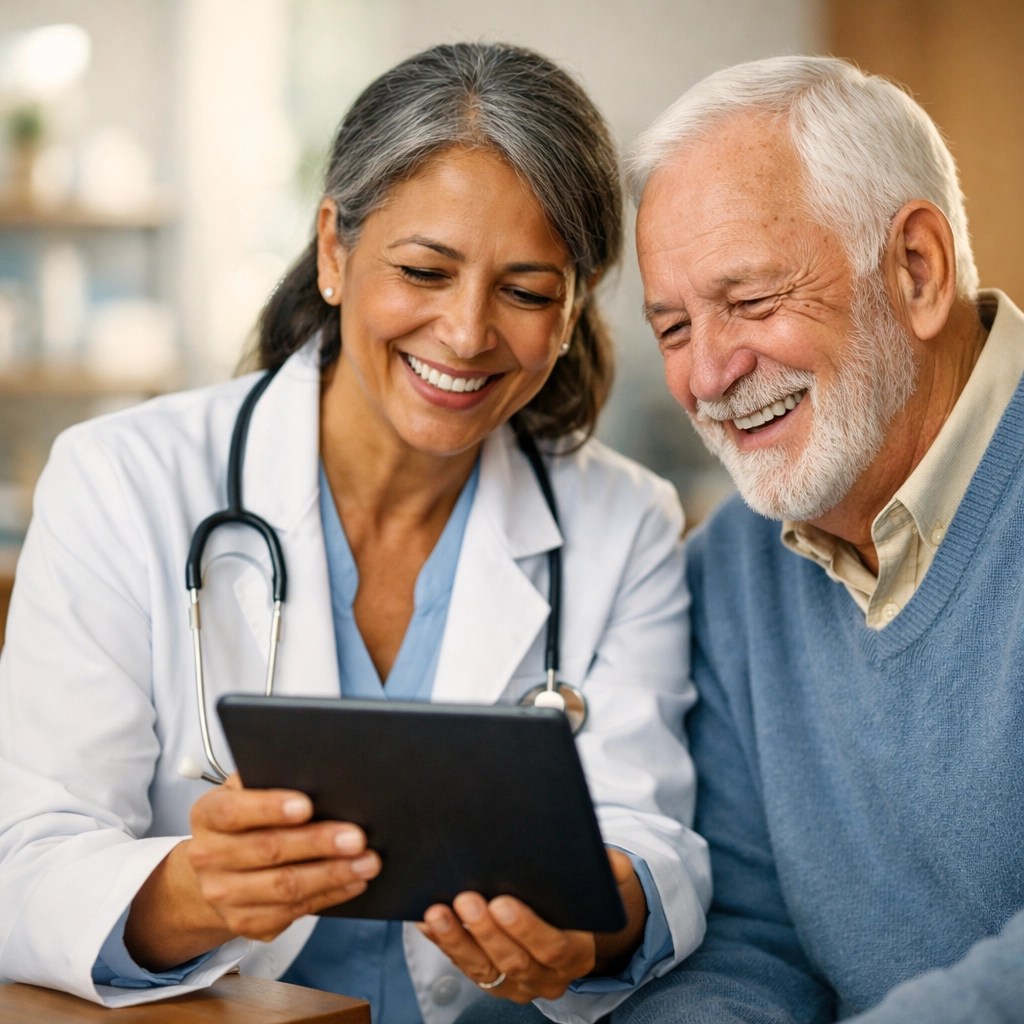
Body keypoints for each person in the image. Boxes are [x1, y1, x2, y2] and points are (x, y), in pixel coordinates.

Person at [0, 42, 710, 1024]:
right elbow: (27, 860)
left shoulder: (625, 522)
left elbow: (653, 841)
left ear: (573, 307)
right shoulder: (122, 480)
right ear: (334, 250)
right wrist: (194, 891)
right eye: (423, 270)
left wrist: (595, 925)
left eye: (526, 291)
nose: (467, 332)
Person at [607, 54, 1024, 1024]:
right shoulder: (730, 572)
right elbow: (746, 938)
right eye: (673, 328)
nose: (709, 375)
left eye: (752, 302)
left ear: (917, 269)